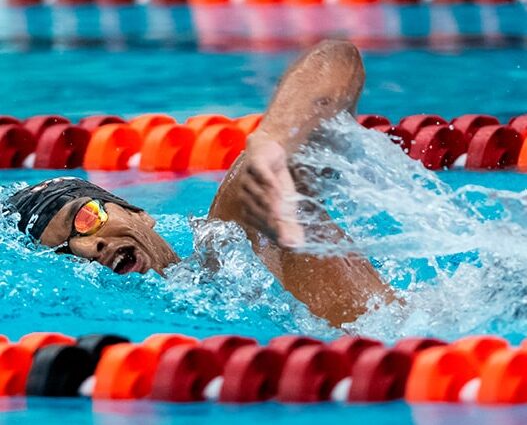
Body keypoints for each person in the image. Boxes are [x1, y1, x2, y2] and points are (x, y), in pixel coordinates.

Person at [4, 40, 394, 327]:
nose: (90, 247)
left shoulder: (234, 235)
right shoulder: (173, 317)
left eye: (86, 218)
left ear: (139, 212)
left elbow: (337, 59)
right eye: (65, 251)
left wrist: (273, 141)